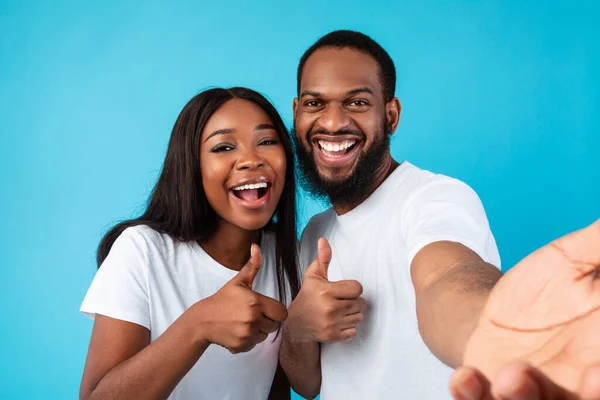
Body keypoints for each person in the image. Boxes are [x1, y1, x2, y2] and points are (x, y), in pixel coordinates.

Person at [279, 30, 600, 399]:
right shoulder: (315, 235)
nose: (332, 122)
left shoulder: (436, 198)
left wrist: (497, 335)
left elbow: (447, 277)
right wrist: (298, 328)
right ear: (297, 112)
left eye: (357, 103)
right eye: (315, 103)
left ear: (391, 115)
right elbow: (307, 384)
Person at [79, 87, 301, 400]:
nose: (251, 160)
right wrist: (199, 324)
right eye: (223, 147)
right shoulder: (142, 250)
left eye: (266, 141)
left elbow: (277, 387)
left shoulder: (286, 255)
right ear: (191, 166)